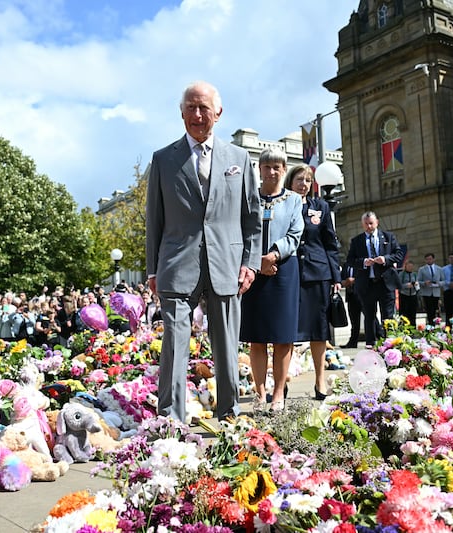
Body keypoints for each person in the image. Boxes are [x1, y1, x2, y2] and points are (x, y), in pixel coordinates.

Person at [145, 81, 261, 423]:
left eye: (204, 108)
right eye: (191, 108)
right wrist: (153, 270)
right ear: (181, 113)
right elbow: (155, 219)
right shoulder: (164, 159)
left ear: (218, 113)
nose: (197, 115)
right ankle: (171, 421)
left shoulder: (239, 159)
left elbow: (251, 217)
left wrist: (250, 263)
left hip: (226, 264)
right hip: (177, 266)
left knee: (226, 346)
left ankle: (230, 416)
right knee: (175, 346)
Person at [240, 148, 303, 412]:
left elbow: (296, 233)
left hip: (283, 271)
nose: (272, 172)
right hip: (253, 272)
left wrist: (274, 255)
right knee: (257, 337)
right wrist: (257, 261)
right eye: (267, 167)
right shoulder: (249, 198)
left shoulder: (294, 200)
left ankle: (278, 393)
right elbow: (242, 231)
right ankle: (259, 392)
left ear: (284, 169)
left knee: (282, 337)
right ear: (259, 169)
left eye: (277, 167)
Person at [285, 163, 341, 400]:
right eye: (300, 179)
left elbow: (330, 243)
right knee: (286, 330)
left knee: (319, 331)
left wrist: (336, 276)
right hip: (290, 273)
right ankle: (282, 381)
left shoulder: (321, 207)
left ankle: (319, 382)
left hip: (318, 273)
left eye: (308, 180)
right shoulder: (281, 205)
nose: (304, 184)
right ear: (290, 182)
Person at [346, 211, 404, 347]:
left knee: (388, 316)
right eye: (366, 224)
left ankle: (390, 343)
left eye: (371, 223)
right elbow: (350, 260)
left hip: (385, 283)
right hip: (367, 284)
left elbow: (398, 253)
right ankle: (370, 344)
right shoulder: (357, 241)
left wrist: (385, 259)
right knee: (369, 315)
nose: (369, 227)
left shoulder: (388, 237)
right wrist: (363, 262)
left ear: (377, 222)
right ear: (362, 225)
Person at [417, 252, 444, 326]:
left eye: (430, 259)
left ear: (433, 259)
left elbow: (444, 281)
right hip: (426, 292)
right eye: (427, 259)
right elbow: (418, 281)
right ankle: (430, 325)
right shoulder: (422, 269)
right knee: (429, 310)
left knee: (436, 309)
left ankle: (437, 323)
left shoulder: (439, 269)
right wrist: (424, 283)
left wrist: (439, 283)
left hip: (436, 292)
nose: (429, 260)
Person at [341, 263, 362, 348]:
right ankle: (353, 342)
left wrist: (354, 280)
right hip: (351, 295)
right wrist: (344, 282)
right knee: (354, 320)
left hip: (362, 294)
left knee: (371, 318)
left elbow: (365, 277)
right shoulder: (346, 265)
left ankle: (379, 336)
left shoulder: (361, 263)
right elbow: (341, 278)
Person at [398, 260, 419, 326]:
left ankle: (413, 328)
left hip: (413, 295)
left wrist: (416, 285)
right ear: (405, 266)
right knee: (404, 313)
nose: (410, 268)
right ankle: (404, 328)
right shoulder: (401, 274)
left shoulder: (415, 274)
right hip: (404, 295)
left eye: (411, 266)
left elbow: (418, 285)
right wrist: (406, 285)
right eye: (409, 266)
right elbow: (399, 285)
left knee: (413, 313)